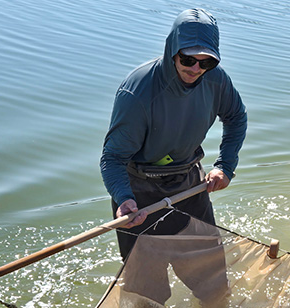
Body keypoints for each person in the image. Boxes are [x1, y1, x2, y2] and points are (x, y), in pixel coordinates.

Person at [100, 7, 247, 262]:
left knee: (211, 275)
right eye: (188, 59)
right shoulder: (137, 92)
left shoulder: (217, 80)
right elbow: (112, 158)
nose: (196, 68)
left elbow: (236, 118)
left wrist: (225, 166)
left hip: (189, 184)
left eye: (207, 62)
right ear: (173, 51)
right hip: (140, 192)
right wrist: (124, 199)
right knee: (147, 293)